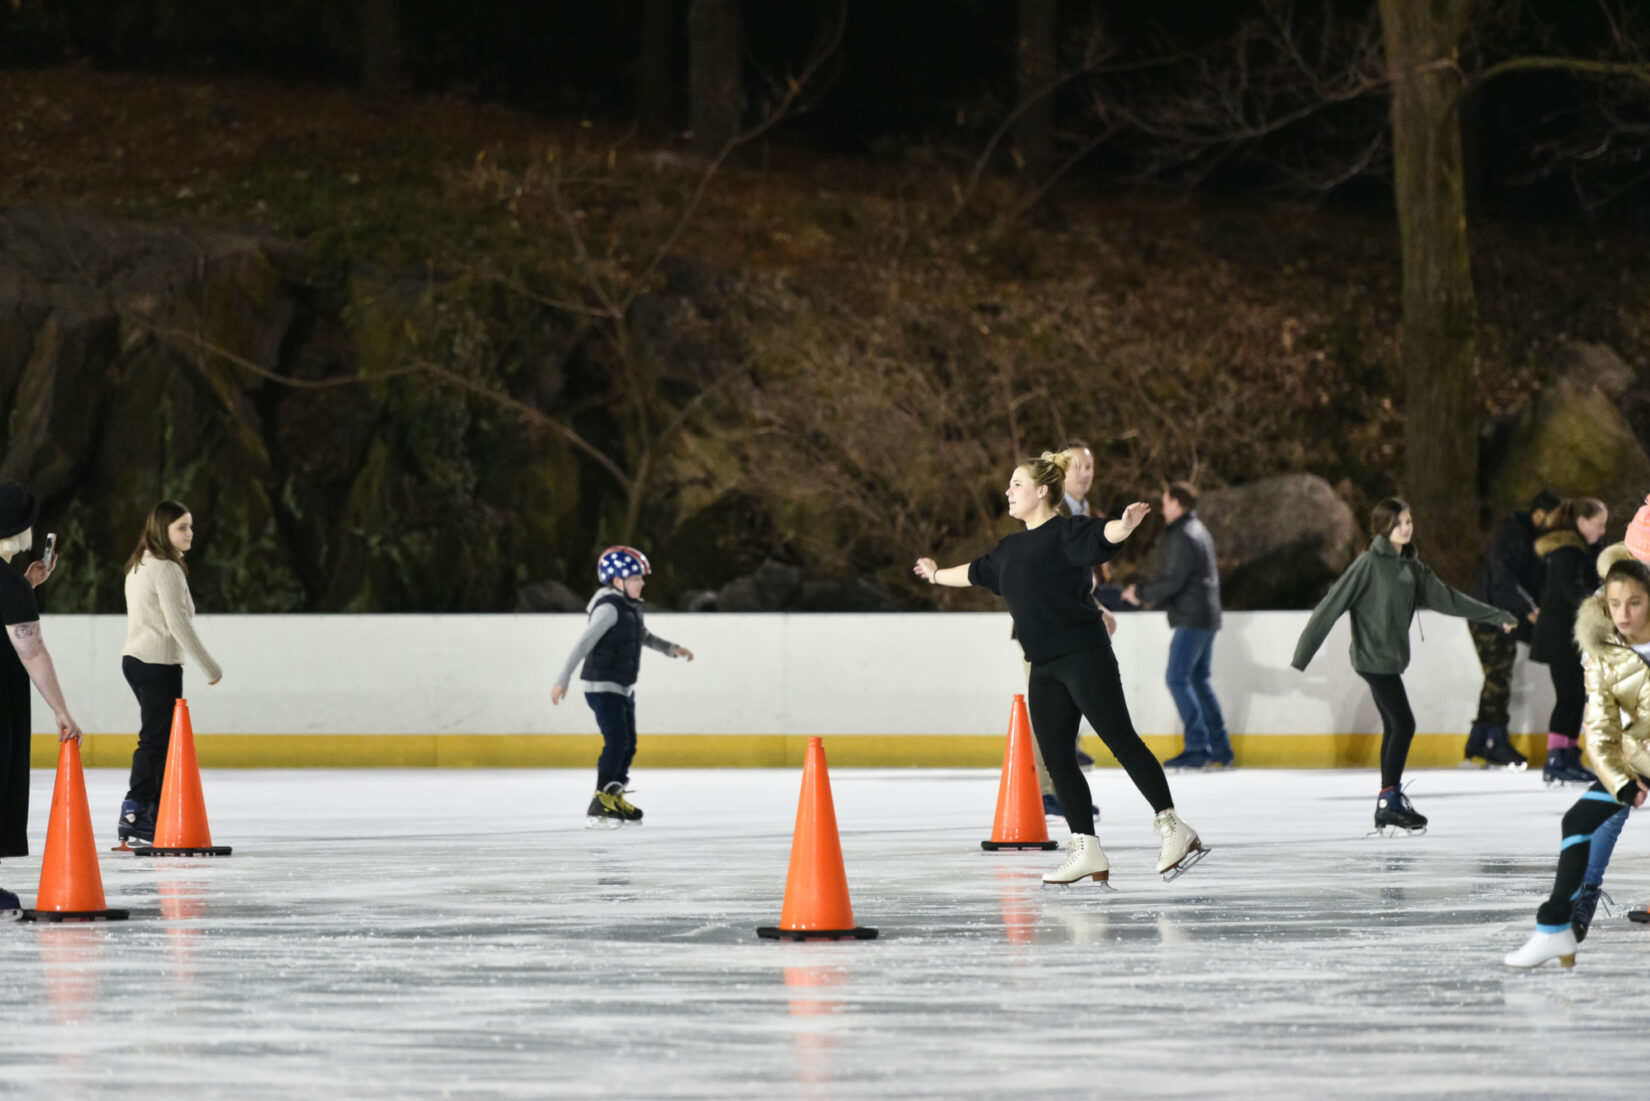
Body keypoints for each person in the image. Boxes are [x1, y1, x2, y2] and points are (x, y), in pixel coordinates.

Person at [913, 450, 1207, 885]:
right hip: (1045, 667)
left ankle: (1173, 827)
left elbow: (1104, 537)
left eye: (1016, 484)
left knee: (1121, 742)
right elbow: (974, 572)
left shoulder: (1069, 533)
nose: (1007, 491)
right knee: (1057, 760)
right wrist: (936, 575)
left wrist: (1125, 524)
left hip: (1086, 656)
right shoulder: (1009, 551)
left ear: (1042, 491)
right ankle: (1086, 846)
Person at [1292, 498, 1516, 834]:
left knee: (1396, 726)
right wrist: (1303, 655)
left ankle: (1388, 800)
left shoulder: (1412, 568)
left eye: (1409, 521)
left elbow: (1449, 599)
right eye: (1399, 523)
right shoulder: (1367, 564)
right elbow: (1331, 605)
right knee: (1404, 724)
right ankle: (1389, 801)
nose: (1407, 527)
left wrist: (1496, 615)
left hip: (1391, 661)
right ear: (1383, 528)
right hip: (1371, 659)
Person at [1503, 540, 1650, 969]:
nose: (1623, 613)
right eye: (1615, 603)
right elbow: (1600, 729)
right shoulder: (1604, 655)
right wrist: (1621, 779)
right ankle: (1556, 929)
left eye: (1635, 603)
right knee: (1578, 820)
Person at [552, 546, 694, 828]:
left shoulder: (629, 608)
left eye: (641, 578)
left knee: (628, 745)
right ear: (617, 581)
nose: (641, 583)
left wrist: (670, 648)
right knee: (617, 742)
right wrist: (562, 679)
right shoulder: (608, 609)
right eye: (635, 578)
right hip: (602, 686)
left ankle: (613, 797)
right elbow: (583, 644)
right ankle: (600, 801)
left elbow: (643, 636)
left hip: (622, 687)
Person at [118, 500, 223, 846]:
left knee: (160, 740)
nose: (189, 533)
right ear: (162, 530)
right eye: (181, 527)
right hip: (157, 664)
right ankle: (134, 812)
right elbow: (178, 625)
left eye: (190, 526)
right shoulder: (164, 567)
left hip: (137, 660)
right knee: (156, 740)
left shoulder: (142, 562)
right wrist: (210, 666)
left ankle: (155, 811)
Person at [0, 482, 84, 914]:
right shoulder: (8, 587)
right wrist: (62, 710)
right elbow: (32, 653)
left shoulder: (13, 585)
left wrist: (26, 585)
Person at [1121, 481, 1231, 769]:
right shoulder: (1199, 530)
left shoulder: (1182, 534)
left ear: (1179, 504)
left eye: (1167, 502)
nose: (1163, 507)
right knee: (1198, 681)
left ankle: (1198, 746)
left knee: (1177, 678)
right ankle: (1220, 748)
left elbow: (1174, 580)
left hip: (1192, 618)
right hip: (1206, 616)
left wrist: (1140, 595)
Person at [1463, 490, 1559, 769]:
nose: (1554, 525)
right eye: (1552, 518)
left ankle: (1479, 740)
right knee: (1499, 674)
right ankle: (1495, 741)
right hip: (1488, 612)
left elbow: (1534, 579)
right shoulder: (1512, 535)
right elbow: (1502, 576)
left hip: (1503, 612)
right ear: (1538, 514)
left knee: (1497, 674)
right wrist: (1528, 607)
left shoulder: (1533, 539)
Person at [1529, 497, 1609, 786]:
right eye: (1598, 524)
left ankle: (1568, 754)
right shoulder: (1567, 551)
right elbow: (1571, 590)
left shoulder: (1583, 549)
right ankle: (1556, 758)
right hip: (1559, 636)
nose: (1601, 530)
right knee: (1568, 696)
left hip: (1570, 635)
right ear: (1582, 521)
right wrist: (1603, 607)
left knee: (1575, 696)